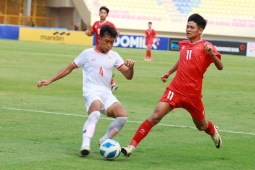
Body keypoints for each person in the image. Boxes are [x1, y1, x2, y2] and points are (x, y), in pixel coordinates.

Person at [121, 13, 224, 157]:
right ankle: (131, 146)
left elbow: (220, 67)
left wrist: (211, 54)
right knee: (155, 116)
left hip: (193, 95)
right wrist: (169, 73)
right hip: (175, 89)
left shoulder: (207, 46)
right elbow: (182, 61)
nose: (188, 29)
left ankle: (212, 130)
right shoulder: (183, 44)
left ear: (200, 30)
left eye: (191, 27)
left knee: (201, 126)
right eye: (187, 26)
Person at [37, 25, 135, 157]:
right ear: (99, 38)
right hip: (91, 91)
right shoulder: (87, 54)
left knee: (122, 116)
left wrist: (131, 67)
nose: (109, 45)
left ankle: (105, 139)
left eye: (112, 42)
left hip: (107, 93)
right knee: (95, 112)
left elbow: (128, 76)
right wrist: (50, 80)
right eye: (107, 41)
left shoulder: (115, 56)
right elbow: (69, 68)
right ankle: (85, 145)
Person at [85, 6, 120, 92]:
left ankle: (110, 80)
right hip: (97, 49)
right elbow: (91, 33)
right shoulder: (96, 24)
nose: (103, 14)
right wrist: (87, 33)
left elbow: (117, 33)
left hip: (105, 50)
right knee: (99, 67)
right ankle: (112, 82)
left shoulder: (109, 24)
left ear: (107, 14)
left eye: (104, 13)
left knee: (99, 67)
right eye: (101, 12)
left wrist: (110, 41)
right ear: (99, 13)